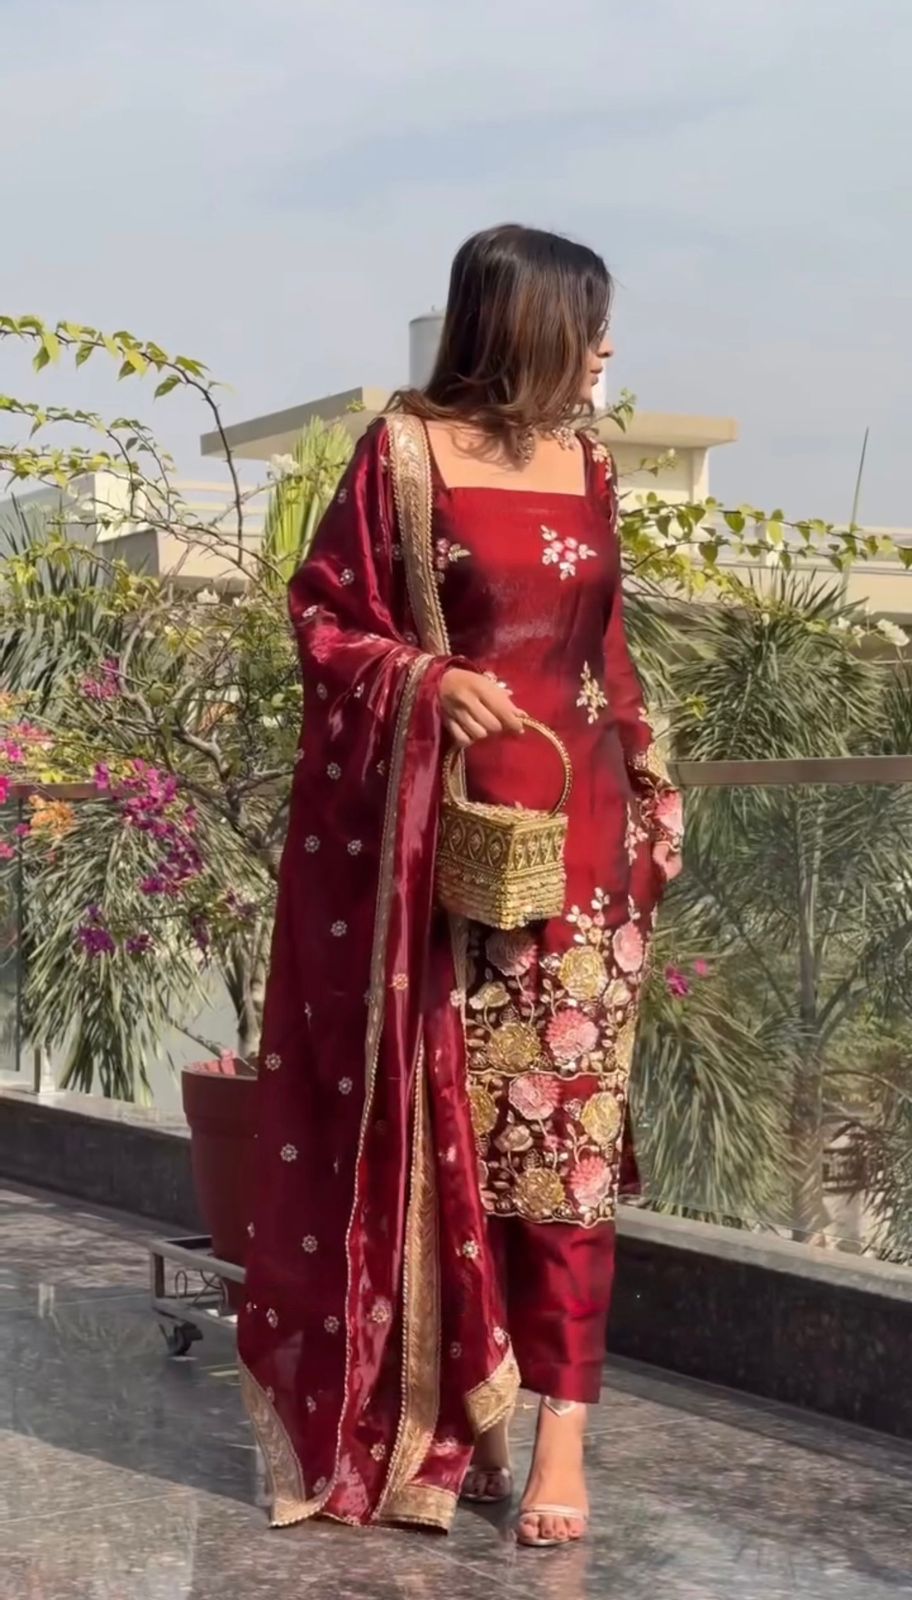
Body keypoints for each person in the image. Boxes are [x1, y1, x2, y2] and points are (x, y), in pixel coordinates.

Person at [238, 223, 683, 1549]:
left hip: (585, 861)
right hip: (444, 860)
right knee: (464, 1155)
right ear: (529, 324)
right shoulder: (402, 455)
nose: (608, 349)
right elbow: (325, 621)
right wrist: (428, 681)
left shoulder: (591, 464)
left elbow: (608, 650)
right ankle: (463, 1411)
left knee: (571, 1158)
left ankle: (562, 1436)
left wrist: (652, 789)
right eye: (590, 324)